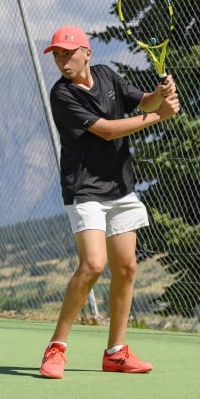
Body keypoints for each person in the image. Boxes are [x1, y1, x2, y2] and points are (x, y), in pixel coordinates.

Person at [38, 25, 180, 379]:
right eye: (56, 55)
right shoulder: (62, 95)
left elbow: (142, 100)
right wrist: (157, 116)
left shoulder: (106, 75)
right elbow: (106, 129)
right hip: (84, 191)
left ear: (87, 53)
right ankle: (57, 347)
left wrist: (158, 96)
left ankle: (116, 352)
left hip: (121, 188)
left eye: (67, 53)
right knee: (93, 264)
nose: (61, 60)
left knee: (127, 267)